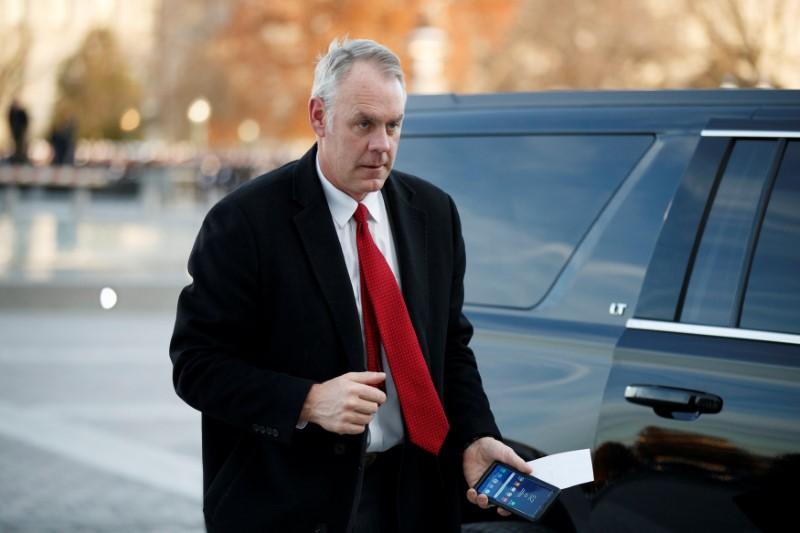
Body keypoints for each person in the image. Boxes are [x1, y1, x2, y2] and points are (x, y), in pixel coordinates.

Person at [170, 38, 531, 533]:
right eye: (364, 124)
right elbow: (196, 364)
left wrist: (475, 436)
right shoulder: (245, 222)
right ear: (319, 116)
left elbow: (450, 348)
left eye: (393, 125)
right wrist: (307, 401)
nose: (381, 144)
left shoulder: (434, 214)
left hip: (414, 499)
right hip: (290, 506)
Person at [7, 98, 29, 163]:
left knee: (21, 145)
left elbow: (25, 122)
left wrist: (23, 129)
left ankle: (21, 158)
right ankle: (15, 158)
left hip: (21, 131)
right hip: (14, 131)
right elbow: (9, 120)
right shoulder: (12, 112)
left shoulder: (22, 112)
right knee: (14, 144)